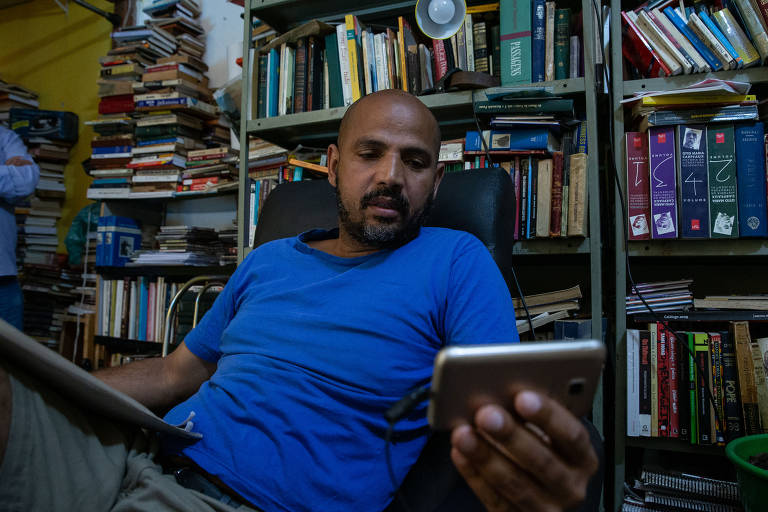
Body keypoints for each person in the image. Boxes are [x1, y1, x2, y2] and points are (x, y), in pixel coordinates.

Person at [0, 90, 597, 512]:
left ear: (436, 183)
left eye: (415, 162)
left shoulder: (455, 260)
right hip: (136, 452)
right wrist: (56, 389)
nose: (391, 175)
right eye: (370, 153)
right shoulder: (268, 260)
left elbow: (497, 413)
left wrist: (538, 463)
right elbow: (174, 372)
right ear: (333, 166)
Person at [0, 125, 39, 330]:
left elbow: (26, 182)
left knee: (10, 359)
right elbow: (16, 178)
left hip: (3, 277)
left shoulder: (5, 137)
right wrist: (7, 171)